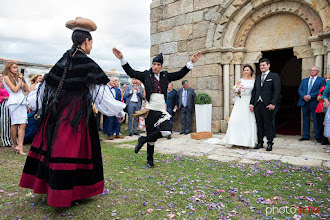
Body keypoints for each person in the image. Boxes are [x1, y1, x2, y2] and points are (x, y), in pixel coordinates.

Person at [19, 17, 125, 207]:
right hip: (75, 116)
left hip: (56, 114)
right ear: (86, 41)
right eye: (91, 42)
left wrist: (34, 104)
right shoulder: (88, 63)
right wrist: (118, 110)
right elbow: (101, 95)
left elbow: (43, 90)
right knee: (73, 152)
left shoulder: (63, 60)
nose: (92, 46)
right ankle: (71, 193)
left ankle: (53, 189)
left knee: (55, 149)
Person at [113, 48, 202, 168]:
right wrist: (122, 59)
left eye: (158, 65)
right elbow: (132, 72)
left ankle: (142, 140)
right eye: (154, 64)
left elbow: (179, 74)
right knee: (151, 135)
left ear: (161, 66)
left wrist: (191, 62)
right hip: (150, 109)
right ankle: (150, 160)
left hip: (161, 109)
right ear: (152, 65)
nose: (155, 66)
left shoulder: (165, 76)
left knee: (166, 131)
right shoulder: (146, 74)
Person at [221, 65, 257, 147]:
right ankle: (234, 140)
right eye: (244, 70)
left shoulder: (254, 81)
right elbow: (236, 93)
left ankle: (247, 142)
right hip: (240, 101)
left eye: (247, 70)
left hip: (249, 101)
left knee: (247, 120)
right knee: (236, 120)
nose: (246, 71)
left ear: (251, 71)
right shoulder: (240, 81)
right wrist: (238, 91)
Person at [250, 58, 281, 151]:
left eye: (263, 65)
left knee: (268, 124)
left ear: (268, 65)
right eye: (260, 66)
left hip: (268, 104)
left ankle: (270, 143)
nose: (262, 67)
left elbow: (277, 91)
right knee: (259, 124)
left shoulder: (274, 76)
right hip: (257, 104)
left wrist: (273, 103)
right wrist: (251, 103)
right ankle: (260, 142)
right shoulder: (258, 77)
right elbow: (254, 91)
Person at [2, 62, 29, 155]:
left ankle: (20, 146)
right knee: (15, 124)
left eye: (17, 67)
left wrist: (23, 80)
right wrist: (20, 81)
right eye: (14, 67)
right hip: (14, 102)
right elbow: (14, 89)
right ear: (9, 68)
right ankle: (15, 143)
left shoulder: (18, 78)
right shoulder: (6, 78)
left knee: (23, 124)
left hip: (22, 101)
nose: (16, 69)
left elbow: (27, 89)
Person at [297, 66, 326, 142]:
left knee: (316, 119)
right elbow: (300, 89)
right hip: (304, 102)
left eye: (314, 70)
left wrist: (310, 96)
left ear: (318, 72)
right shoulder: (304, 80)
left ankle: (318, 136)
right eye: (311, 70)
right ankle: (305, 135)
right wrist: (304, 96)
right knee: (305, 118)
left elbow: (321, 90)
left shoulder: (321, 80)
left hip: (314, 102)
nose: (312, 71)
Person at [315, 74, 330, 145]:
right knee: (323, 123)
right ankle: (322, 139)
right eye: (326, 79)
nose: (326, 80)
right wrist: (325, 97)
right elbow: (318, 98)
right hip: (323, 107)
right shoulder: (323, 88)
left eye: (328, 79)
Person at [0, 73, 13, 148]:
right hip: (4, 103)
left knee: (12, 122)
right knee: (5, 122)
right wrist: (4, 98)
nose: (1, 77)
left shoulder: (9, 84)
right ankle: (5, 140)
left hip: (13, 103)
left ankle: (12, 139)